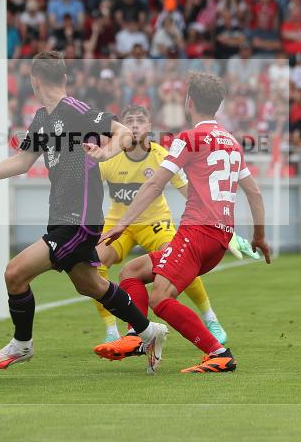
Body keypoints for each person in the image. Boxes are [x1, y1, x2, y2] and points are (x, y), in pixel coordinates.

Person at [0, 51, 169, 371]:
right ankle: (150, 332)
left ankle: (22, 344)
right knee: (90, 285)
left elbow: (122, 132)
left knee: (14, 273)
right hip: (61, 216)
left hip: (79, 219)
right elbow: (21, 161)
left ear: (33, 80)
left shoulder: (75, 110)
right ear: (63, 76)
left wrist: (105, 152)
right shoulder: (41, 119)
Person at [94, 72, 271, 374]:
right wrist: (259, 237)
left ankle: (219, 353)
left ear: (189, 102)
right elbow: (253, 192)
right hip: (218, 236)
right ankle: (137, 336)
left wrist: (123, 223)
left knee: (160, 297)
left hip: (196, 232)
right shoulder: (231, 141)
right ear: (218, 104)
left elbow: (153, 186)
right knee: (131, 272)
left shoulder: (188, 139)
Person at [91, 104, 231, 344]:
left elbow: (188, 190)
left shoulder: (162, 156)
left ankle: (210, 317)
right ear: (121, 127)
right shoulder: (108, 159)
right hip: (119, 224)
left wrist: (214, 216)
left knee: (178, 258)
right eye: (129, 120)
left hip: (155, 223)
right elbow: (89, 192)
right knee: (94, 264)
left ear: (149, 126)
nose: (135, 124)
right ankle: (112, 330)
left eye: (140, 120)